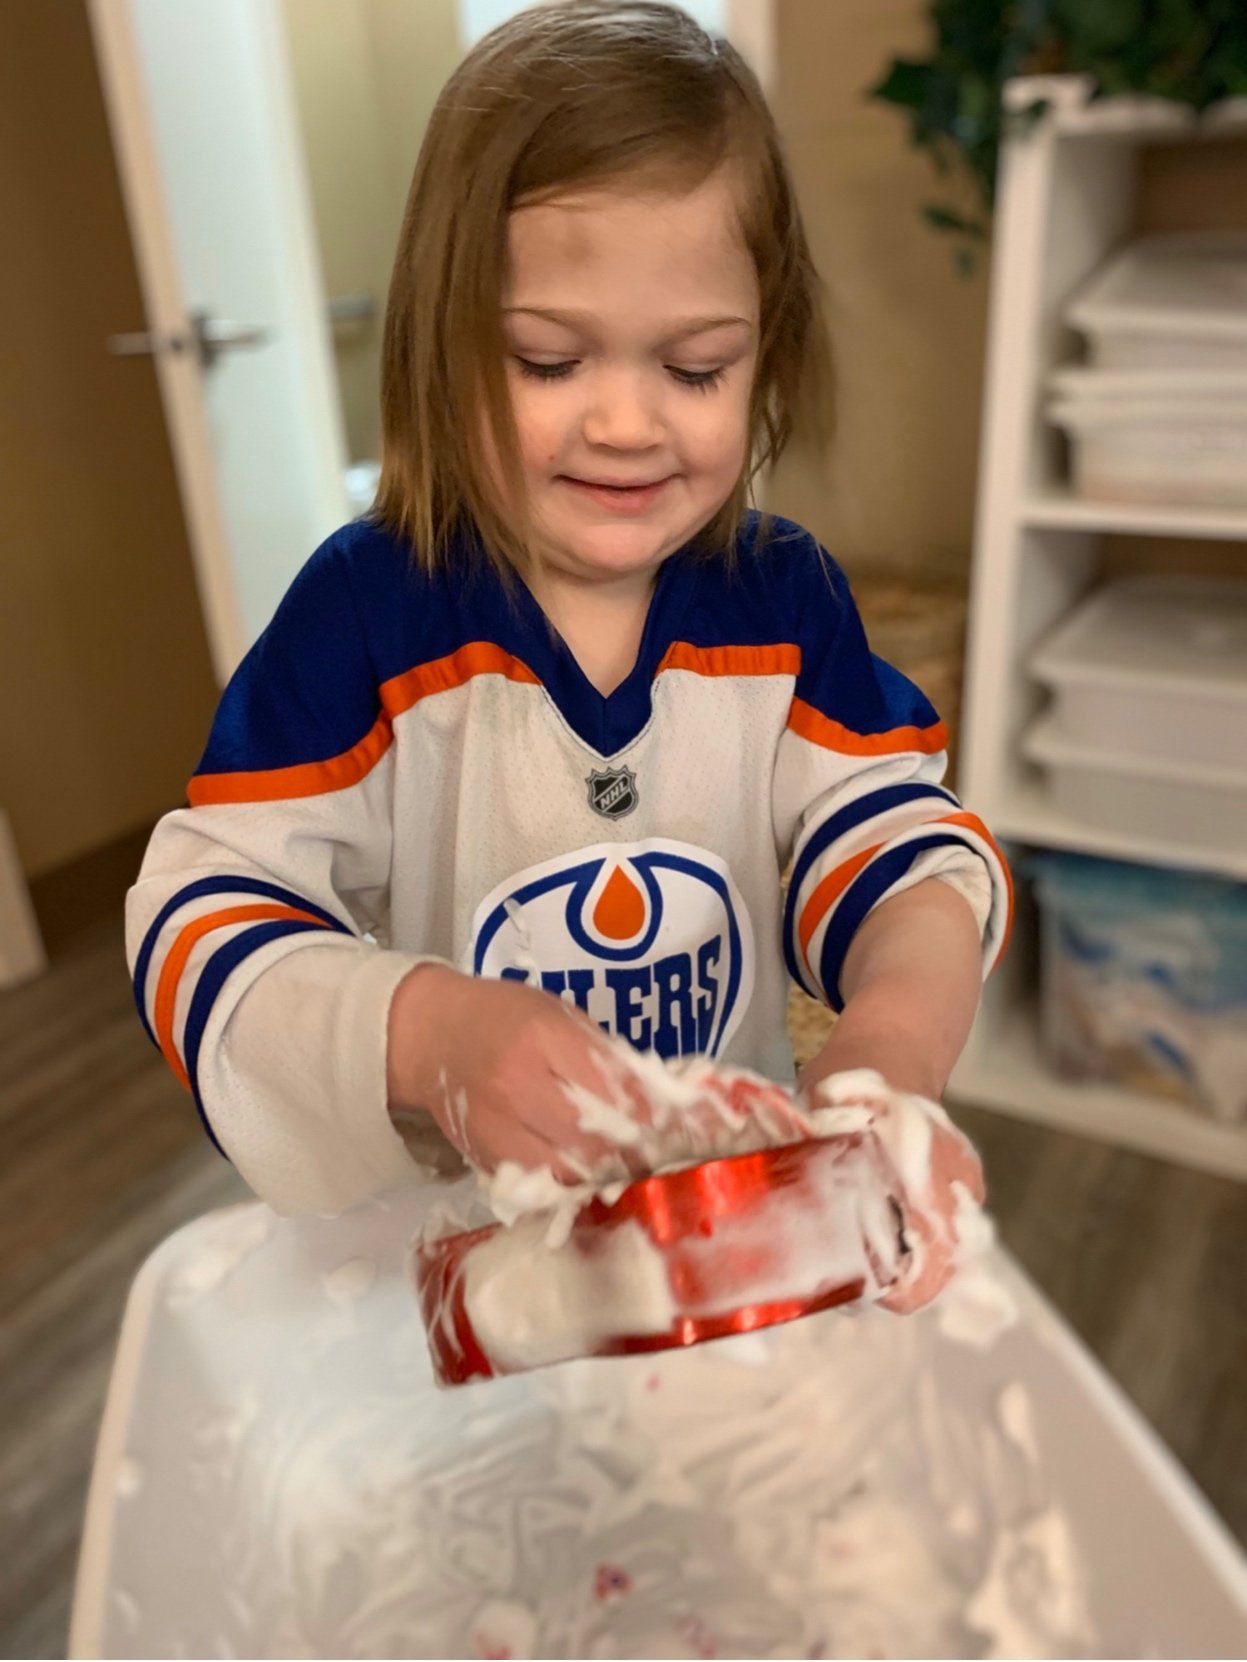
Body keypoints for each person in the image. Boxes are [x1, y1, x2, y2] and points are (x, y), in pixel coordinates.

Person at [126, 0, 1010, 1308]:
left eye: (698, 368)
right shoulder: (370, 614)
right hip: (468, 1257)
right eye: (548, 357)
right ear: (440, 345)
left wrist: (889, 1040)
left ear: (765, 361)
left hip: (718, 1232)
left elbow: (892, 845)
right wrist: (428, 1035)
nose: (625, 420)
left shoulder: (782, 600)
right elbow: (201, 919)